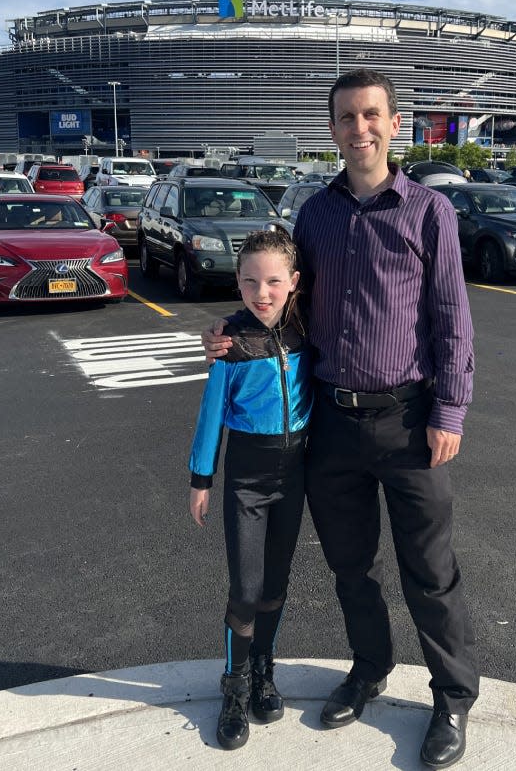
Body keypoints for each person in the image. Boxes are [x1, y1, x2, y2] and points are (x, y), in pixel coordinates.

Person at [203, 68, 479, 768]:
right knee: (351, 566)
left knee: (430, 568)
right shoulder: (316, 216)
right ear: (332, 130)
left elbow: (452, 320)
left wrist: (450, 408)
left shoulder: (428, 212)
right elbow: (284, 305)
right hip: (332, 423)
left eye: (371, 115)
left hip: (412, 421)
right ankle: (370, 664)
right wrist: (229, 332)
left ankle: (452, 695)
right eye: (347, 118)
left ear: (394, 124)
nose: (360, 128)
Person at [189, 229, 313, 751]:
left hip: (296, 476)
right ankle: (234, 686)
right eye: (249, 282)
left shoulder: (308, 329)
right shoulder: (231, 345)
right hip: (246, 480)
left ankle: (264, 670)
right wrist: (201, 479)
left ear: (294, 283)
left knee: (275, 588)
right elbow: (210, 415)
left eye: (273, 282)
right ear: (236, 283)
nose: (262, 293)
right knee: (245, 588)